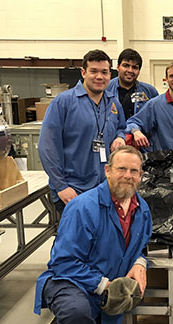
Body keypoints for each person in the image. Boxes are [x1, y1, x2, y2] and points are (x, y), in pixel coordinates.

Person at [33, 145, 153, 324]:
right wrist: (104, 284)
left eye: (134, 171)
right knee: (77, 314)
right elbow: (63, 263)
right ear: (107, 171)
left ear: (141, 176)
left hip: (104, 296)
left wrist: (139, 262)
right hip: (71, 284)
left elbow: (141, 245)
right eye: (121, 169)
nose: (127, 176)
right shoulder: (83, 207)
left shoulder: (142, 209)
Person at [39, 49, 126, 216]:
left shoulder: (113, 103)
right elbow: (47, 147)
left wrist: (120, 137)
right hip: (73, 191)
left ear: (110, 75)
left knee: (103, 240)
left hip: (104, 189)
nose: (99, 76)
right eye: (94, 71)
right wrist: (61, 186)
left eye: (104, 72)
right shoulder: (64, 102)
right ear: (83, 72)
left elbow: (121, 126)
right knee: (77, 241)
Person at [107, 48, 159, 120]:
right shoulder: (106, 89)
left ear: (139, 71)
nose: (130, 70)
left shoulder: (150, 92)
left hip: (139, 131)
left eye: (134, 67)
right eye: (126, 65)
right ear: (118, 67)